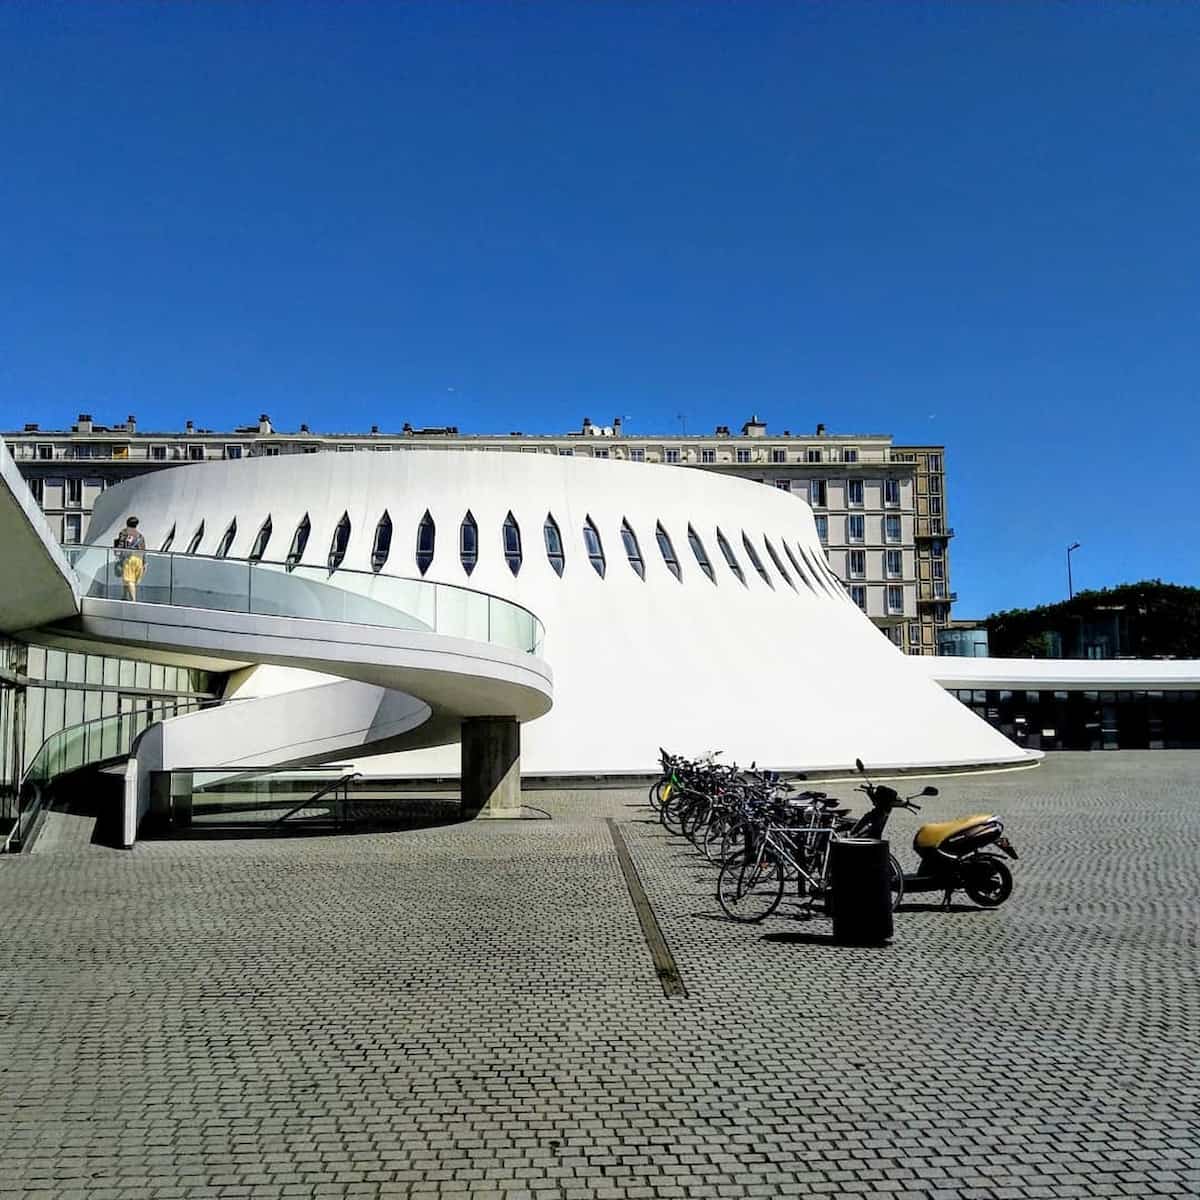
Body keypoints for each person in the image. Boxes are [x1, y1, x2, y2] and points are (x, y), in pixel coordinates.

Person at [113, 516, 146, 601]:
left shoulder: (124, 533)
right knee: (128, 578)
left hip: (129, 559)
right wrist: (144, 562)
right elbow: (143, 549)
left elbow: (120, 545)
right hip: (139, 559)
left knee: (130, 581)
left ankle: (133, 601)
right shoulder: (140, 536)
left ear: (127, 523)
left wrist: (118, 555)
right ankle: (124, 596)